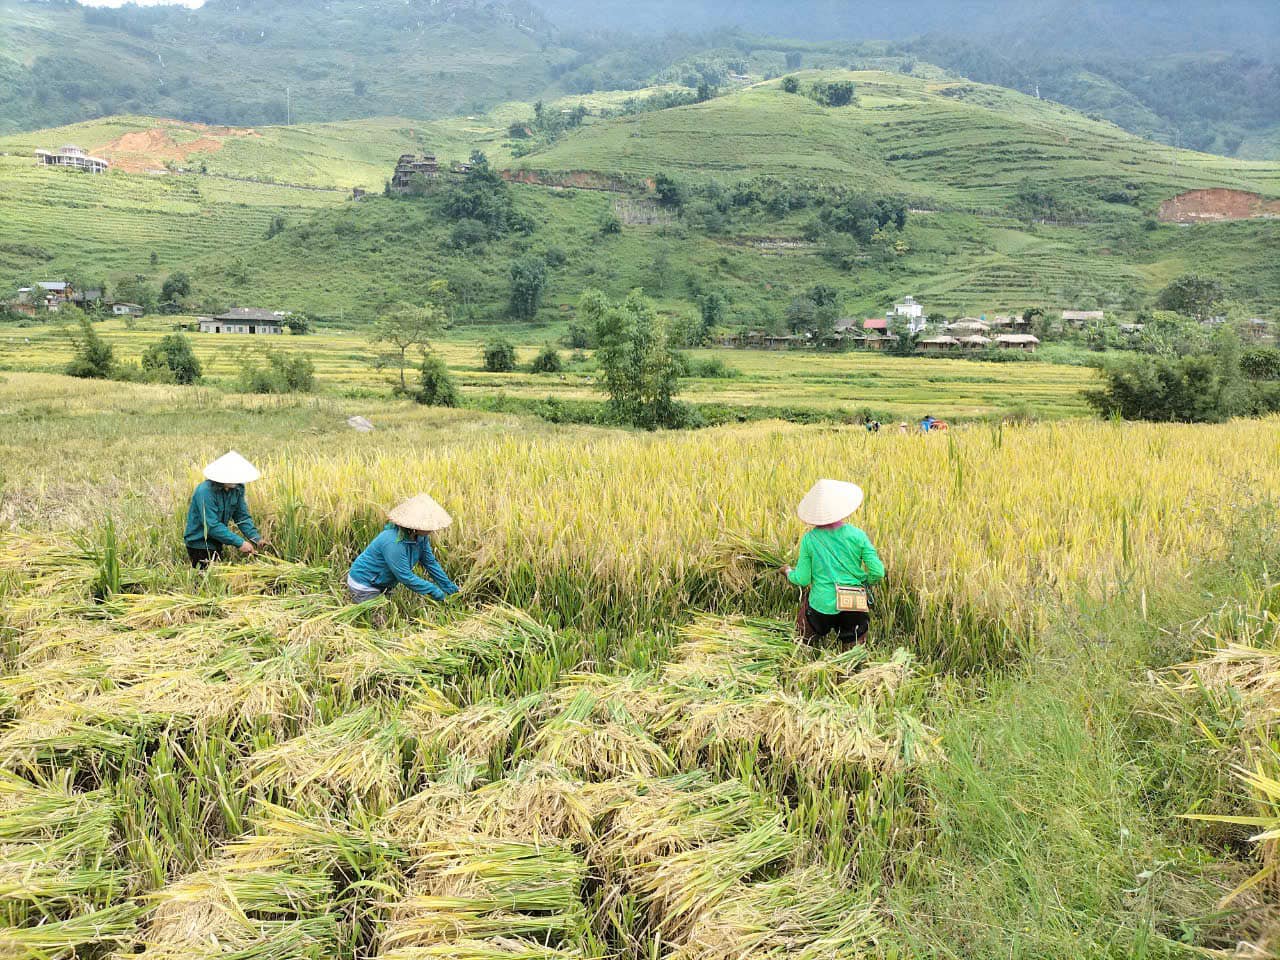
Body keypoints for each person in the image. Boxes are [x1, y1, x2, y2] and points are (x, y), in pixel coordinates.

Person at [783, 479, 885, 646]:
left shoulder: (809, 539)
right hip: (854, 604)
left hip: (821, 606)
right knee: (852, 653)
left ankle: (807, 661)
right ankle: (850, 668)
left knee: (804, 642)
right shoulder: (857, 535)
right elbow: (878, 572)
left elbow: (802, 579)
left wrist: (788, 572)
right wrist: (866, 581)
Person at [347, 494, 459, 603]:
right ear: (414, 525)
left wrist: (450, 588)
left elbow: (430, 563)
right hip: (364, 584)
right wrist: (434, 591)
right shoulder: (393, 542)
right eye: (428, 524)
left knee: (388, 611)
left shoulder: (421, 537)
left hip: (383, 583)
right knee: (380, 619)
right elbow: (405, 577)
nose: (433, 528)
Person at [184, 451, 269, 568]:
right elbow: (212, 526)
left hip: (217, 541)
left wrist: (256, 538)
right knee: (204, 579)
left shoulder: (237, 488)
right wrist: (240, 543)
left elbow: (242, 517)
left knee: (216, 576)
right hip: (199, 543)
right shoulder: (205, 492)